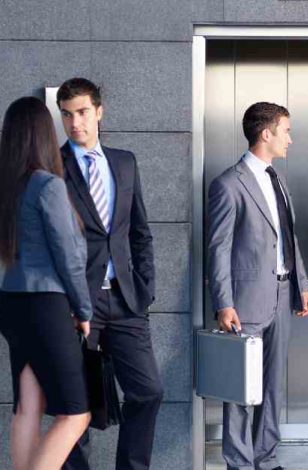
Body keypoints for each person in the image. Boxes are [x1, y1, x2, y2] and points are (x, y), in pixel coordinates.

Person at [56, 77, 163, 470]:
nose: (75, 123)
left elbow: (139, 231)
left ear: (99, 112)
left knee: (149, 392)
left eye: (82, 112)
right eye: (66, 115)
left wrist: (144, 287)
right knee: (76, 406)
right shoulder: (53, 165)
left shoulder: (124, 161)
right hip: (76, 305)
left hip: (125, 298)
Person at [207, 102, 308, 470]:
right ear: (266, 133)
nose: (291, 139)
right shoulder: (227, 184)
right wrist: (223, 303)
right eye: (286, 130)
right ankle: (239, 463)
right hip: (244, 302)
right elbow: (217, 248)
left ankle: (266, 459)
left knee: (273, 387)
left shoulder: (278, 179)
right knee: (240, 389)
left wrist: (302, 284)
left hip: (284, 296)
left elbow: (289, 236)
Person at [0, 96, 93, 470]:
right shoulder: (47, 185)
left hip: (10, 302)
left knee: (28, 407)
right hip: (46, 305)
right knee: (75, 414)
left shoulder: (6, 189)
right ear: (42, 133)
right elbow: (68, 256)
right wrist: (83, 309)